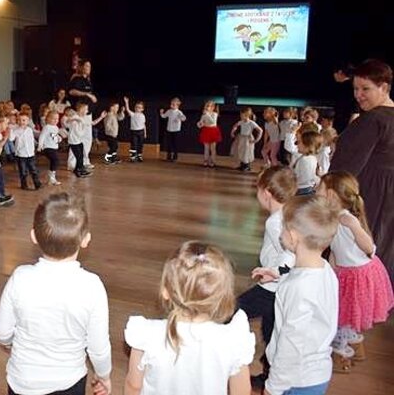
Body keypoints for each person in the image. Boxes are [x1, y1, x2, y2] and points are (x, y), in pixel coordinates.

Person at [0, 192, 112, 395]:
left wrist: (8, 344)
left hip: (22, 381)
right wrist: (104, 376)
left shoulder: (20, 278)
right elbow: (98, 348)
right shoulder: (92, 286)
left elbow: (2, 331)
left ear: (33, 236)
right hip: (69, 381)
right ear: (86, 240)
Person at [124, 241, 254, 395]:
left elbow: (134, 386)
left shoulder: (147, 335)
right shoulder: (233, 340)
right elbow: (242, 391)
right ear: (223, 297)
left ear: (166, 292)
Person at [317, 172, 394, 372]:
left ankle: (340, 356)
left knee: (344, 315)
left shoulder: (347, 218)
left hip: (359, 274)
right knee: (347, 313)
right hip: (347, 272)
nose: (316, 191)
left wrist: (355, 227)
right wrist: (332, 272)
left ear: (331, 195)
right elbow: (336, 248)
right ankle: (356, 347)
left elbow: (369, 247)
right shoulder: (334, 217)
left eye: (320, 188)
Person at [263, 195, 340, 395]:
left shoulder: (299, 288)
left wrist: (272, 388)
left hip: (295, 380)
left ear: (293, 236)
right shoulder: (324, 269)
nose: (280, 231)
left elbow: (291, 344)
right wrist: (279, 275)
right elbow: (305, 288)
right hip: (316, 373)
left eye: (283, 227)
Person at [329, 58, 394, 284]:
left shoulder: (373, 120)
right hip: (388, 199)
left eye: (365, 89)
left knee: (360, 257)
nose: (358, 95)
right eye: (355, 89)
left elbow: (344, 167)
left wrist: (327, 193)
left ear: (384, 87)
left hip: (371, 197)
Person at [238, 166, 297, 387]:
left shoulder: (275, 222)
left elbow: (290, 252)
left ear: (266, 193)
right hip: (280, 287)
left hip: (272, 287)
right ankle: (271, 375)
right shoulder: (288, 212)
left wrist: (275, 272)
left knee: (232, 311)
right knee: (271, 330)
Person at [9, 114, 42, 190]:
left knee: (33, 170)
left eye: (24, 120)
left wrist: (37, 145)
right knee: (23, 171)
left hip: (30, 154)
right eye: (19, 120)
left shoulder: (29, 130)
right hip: (21, 154)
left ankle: (37, 183)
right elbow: (11, 139)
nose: (21, 122)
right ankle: (24, 185)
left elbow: (32, 139)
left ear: (27, 121)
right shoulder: (16, 130)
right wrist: (10, 130)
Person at [231, 107, 263, 172]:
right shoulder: (241, 122)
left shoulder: (251, 123)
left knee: (247, 152)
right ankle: (242, 165)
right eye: (240, 115)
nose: (240, 116)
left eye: (241, 115)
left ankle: (247, 166)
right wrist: (233, 131)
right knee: (241, 151)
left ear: (246, 115)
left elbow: (260, 130)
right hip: (241, 138)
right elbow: (235, 126)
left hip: (247, 139)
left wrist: (257, 139)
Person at [37, 110, 65, 185]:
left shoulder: (55, 127)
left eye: (57, 119)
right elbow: (42, 136)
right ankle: (51, 177)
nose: (56, 120)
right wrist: (40, 145)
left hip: (54, 147)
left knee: (55, 161)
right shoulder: (47, 127)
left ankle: (51, 177)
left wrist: (59, 138)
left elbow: (54, 135)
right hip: (47, 147)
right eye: (53, 118)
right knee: (55, 160)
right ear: (48, 119)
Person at [290, 130, 322, 195]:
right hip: (303, 188)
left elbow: (305, 178)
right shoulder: (308, 158)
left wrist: (292, 180)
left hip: (303, 189)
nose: (297, 145)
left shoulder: (306, 160)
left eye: (300, 142)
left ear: (307, 146)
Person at [65, 106, 92, 178]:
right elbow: (67, 122)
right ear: (81, 110)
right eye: (86, 109)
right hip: (73, 142)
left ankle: (78, 169)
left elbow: (91, 123)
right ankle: (79, 171)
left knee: (81, 156)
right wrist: (77, 120)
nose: (87, 111)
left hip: (79, 141)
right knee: (79, 157)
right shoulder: (75, 118)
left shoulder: (81, 118)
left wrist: (101, 117)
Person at [332, 63, 359, 131]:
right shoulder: (347, 85)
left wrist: (351, 126)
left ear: (340, 72)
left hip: (345, 122)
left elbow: (355, 108)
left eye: (334, 73)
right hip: (343, 121)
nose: (334, 75)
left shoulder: (349, 87)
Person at [159, 97, 187, 162]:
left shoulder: (179, 112)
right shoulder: (169, 111)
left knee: (175, 144)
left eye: (173, 104)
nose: (172, 105)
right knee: (169, 144)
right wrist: (161, 113)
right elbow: (164, 116)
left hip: (176, 130)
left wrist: (180, 118)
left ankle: (175, 157)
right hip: (169, 129)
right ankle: (168, 156)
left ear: (177, 105)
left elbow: (184, 118)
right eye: (171, 104)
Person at [197, 100, 222, 168]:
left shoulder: (215, 114)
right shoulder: (204, 115)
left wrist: (207, 115)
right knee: (206, 148)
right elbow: (201, 122)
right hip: (206, 131)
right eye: (206, 106)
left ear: (213, 107)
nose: (207, 107)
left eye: (209, 106)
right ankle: (206, 160)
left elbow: (212, 122)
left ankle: (213, 161)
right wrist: (199, 124)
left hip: (213, 131)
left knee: (213, 148)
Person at [123, 97, 147, 162]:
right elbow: (127, 109)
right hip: (134, 132)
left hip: (141, 132)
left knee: (140, 145)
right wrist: (126, 102)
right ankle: (133, 157)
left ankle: (139, 156)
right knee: (133, 144)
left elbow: (144, 125)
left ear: (142, 109)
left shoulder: (143, 116)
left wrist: (145, 133)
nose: (137, 108)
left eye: (139, 107)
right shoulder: (133, 114)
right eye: (136, 107)